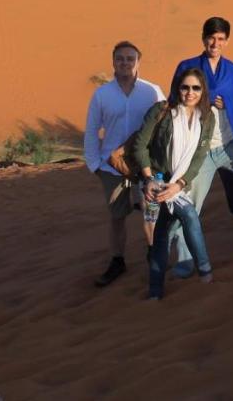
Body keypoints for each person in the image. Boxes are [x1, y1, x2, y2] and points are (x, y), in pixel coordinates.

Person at [168, 17, 233, 270]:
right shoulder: (188, 66)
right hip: (200, 150)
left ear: (227, 41)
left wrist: (228, 104)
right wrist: (207, 99)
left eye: (221, 39)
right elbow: (175, 102)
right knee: (188, 205)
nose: (216, 43)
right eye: (212, 38)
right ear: (203, 38)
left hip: (230, 145)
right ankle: (184, 261)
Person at [83, 41, 165, 287]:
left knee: (150, 215)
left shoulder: (152, 91)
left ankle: (154, 255)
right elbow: (91, 131)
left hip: (146, 166)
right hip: (111, 167)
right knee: (117, 217)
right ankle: (117, 261)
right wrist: (94, 165)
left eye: (130, 58)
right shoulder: (102, 94)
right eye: (120, 58)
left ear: (138, 62)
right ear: (113, 62)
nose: (125, 63)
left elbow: (164, 124)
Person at [132, 67, 217, 300]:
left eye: (196, 88)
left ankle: (155, 291)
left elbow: (200, 156)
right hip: (155, 182)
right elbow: (140, 145)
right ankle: (206, 272)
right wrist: (149, 179)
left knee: (161, 235)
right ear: (177, 88)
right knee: (188, 215)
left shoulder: (206, 116)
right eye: (185, 87)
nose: (190, 93)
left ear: (203, 91)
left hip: (178, 185)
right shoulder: (162, 111)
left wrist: (179, 184)